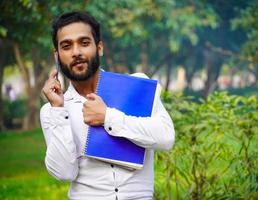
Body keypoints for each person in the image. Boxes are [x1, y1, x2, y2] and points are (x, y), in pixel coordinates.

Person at [40, 11, 175, 200]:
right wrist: (58, 111)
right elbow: (64, 173)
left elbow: (166, 137)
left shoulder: (137, 85)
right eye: (66, 46)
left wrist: (108, 117)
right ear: (57, 55)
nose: (76, 52)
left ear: (99, 47)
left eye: (84, 43)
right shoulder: (52, 110)